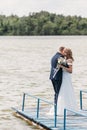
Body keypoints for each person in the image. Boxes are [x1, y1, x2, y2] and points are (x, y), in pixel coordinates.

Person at [49, 48, 78, 116]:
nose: (63, 53)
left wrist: (62, 66)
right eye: (63, 52)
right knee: (62, 93)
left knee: (65, 92)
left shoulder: (69, 60)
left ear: (67, 53)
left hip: (66, 78)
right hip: (63, 77)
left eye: (64, 52)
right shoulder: (64, 59)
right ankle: (61, 108)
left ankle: (65, 109)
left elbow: (70, 71)